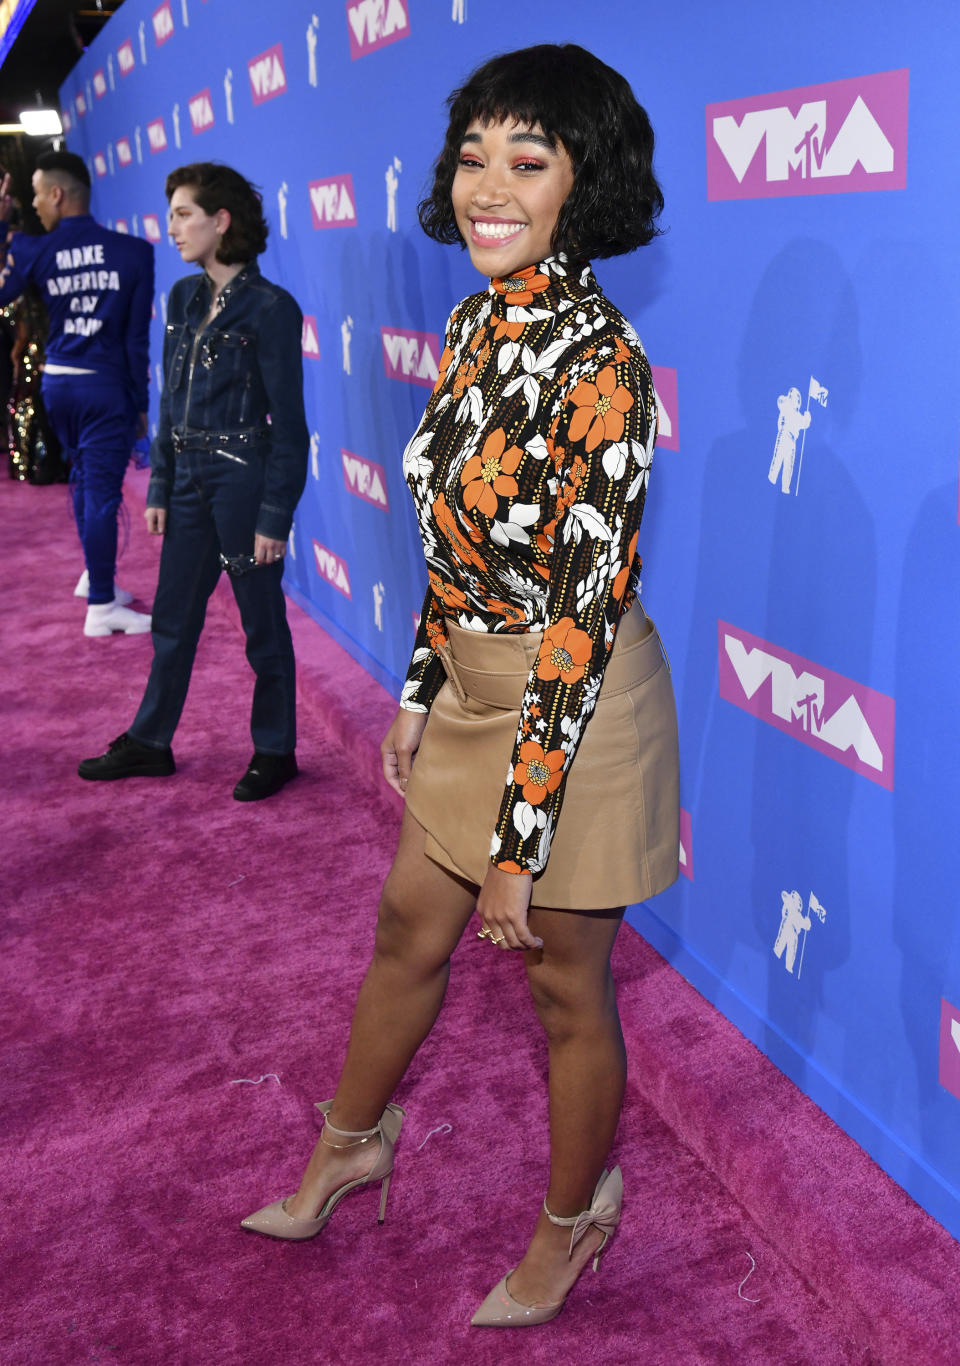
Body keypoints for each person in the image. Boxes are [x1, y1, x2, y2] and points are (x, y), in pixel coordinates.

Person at [242, 44, 680, 1325]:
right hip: (479, 690)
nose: (490, 185)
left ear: (582, 184)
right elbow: (452, 533)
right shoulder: (478, 317)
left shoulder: (603, 364)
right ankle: (348, 1144)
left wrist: (516, 846)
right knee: (402, 930)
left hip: (576, 718)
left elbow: (580, 624)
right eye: (476, 154)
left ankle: (571, 1221)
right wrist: (424, 687)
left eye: (528, 161)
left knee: (560, 984)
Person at [78, 163, 309, 802]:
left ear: (221, 221)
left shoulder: (271, 308)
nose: (172, 226)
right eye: (173, 213)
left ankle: (275, 749)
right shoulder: (181, 298)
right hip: (187, 483)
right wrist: (158, 485)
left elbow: (290, 427)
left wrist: (274, 516)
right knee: (172, 621)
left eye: (183, 214)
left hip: (243, 480)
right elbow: (171, 395)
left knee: (261, 623)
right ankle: (150, 742)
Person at [0, 152, 154, 632]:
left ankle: (96, 579)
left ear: (58, 194)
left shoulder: (32, 249)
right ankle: (102, 607)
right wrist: (141, 405)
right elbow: (134, 341)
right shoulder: (134, 252)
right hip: (106, 389)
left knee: (87, 484)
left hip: (58, 387)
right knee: (102, 494)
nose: (34, 204)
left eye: (37, 194)